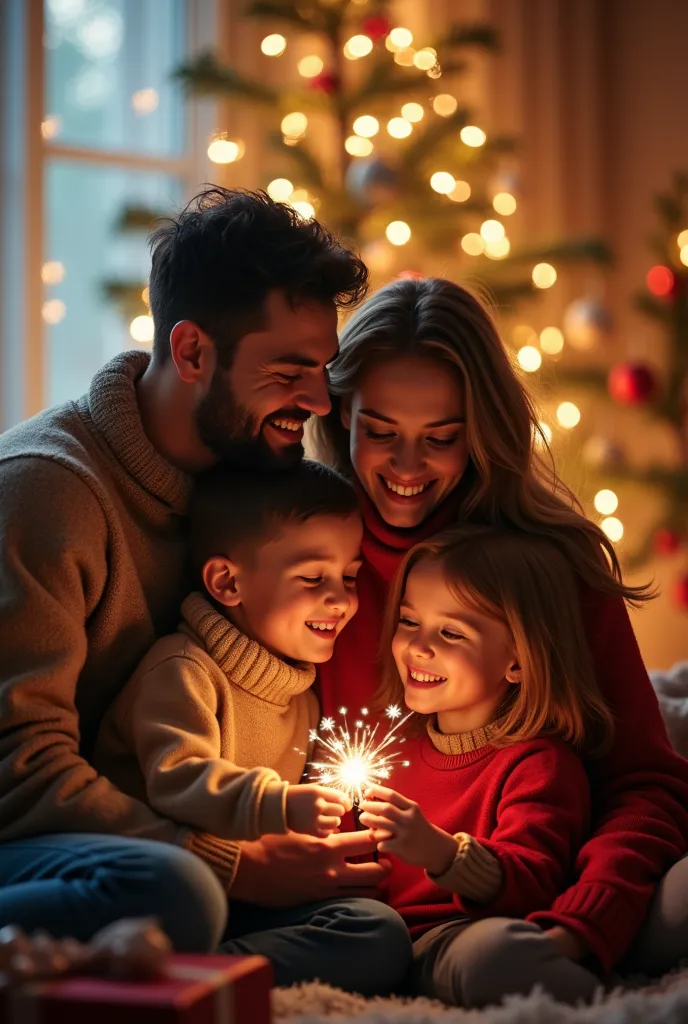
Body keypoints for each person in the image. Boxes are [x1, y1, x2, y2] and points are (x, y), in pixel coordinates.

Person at [0, 187, 385, 952]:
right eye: (289, 371)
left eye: (324, 369)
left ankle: (198, 983)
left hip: (148, 837)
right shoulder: (45, 490)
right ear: (191, 352)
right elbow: (22, 774)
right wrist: (228, 864)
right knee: (174, 890)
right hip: (31, 840)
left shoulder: (247, 479)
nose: (318, 400)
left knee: (372, 932)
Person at [309, 276, 688, 1001]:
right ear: (342, 416)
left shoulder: (551, 569)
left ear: (483, 430)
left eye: (442, 439)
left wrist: (586, 921)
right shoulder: (310, 564)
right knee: (488, 961)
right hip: (421, 919)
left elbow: (644, 781)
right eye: (380, 432)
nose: (408, 467)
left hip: (570, 867)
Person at [94, 458, 412, 994]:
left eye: (349, 577)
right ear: (228, 582)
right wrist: (280, 806)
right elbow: (178, 780)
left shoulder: (301, 697)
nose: (341, 599)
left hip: (243, 903)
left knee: (376, 930)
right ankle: (184, 976)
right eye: (313, 577)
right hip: (160, 894)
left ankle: (210, 975)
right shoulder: (184, 672)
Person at [359, 525, 611, 1006]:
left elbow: (535, 882)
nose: (418, 647)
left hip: (454, 938)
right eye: (409, 622)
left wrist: (442, 854)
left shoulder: (538, 764)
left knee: (495, 957)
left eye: (450, 632)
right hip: (372, 933)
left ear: (517, 660)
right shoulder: (394, 748)